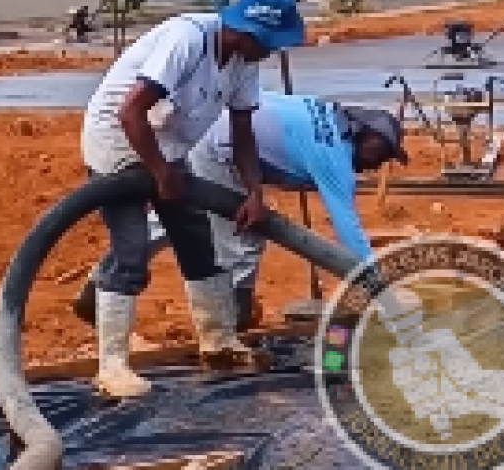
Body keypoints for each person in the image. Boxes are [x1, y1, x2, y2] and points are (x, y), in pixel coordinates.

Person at [71, 93, 409, 386]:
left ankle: (98, 285)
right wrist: (385, 297)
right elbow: (349, 235)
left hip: (213, 130)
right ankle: (233, 317)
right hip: (224, 147)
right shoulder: (333, 154)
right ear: (362, 133)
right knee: (243, 232)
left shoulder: (326, 115)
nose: (376, 163)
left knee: (178, 218)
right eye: (378, 152)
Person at [80, 0, 305, 399]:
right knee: (131, 250)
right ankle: (111, 368)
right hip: (118, 142)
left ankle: (217, 343)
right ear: (249, 32)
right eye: (270, 43)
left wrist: (254, 190)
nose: (272, 53)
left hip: (167, 148)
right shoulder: (188, 40)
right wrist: (158, 173)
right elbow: (131, 111)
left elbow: (242, 133)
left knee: (197, 242)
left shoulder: (243, 63)